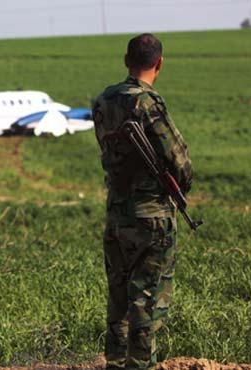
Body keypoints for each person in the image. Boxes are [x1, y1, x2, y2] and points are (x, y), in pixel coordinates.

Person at [91, 33, 193, 370]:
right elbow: (181, 164)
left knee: (119, 298)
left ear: (126, 61)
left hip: (117, 217)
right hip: (151, 219)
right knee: (146, 302)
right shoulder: (148, 103)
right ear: (159, 63)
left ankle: (116, 364)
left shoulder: (103, 100)